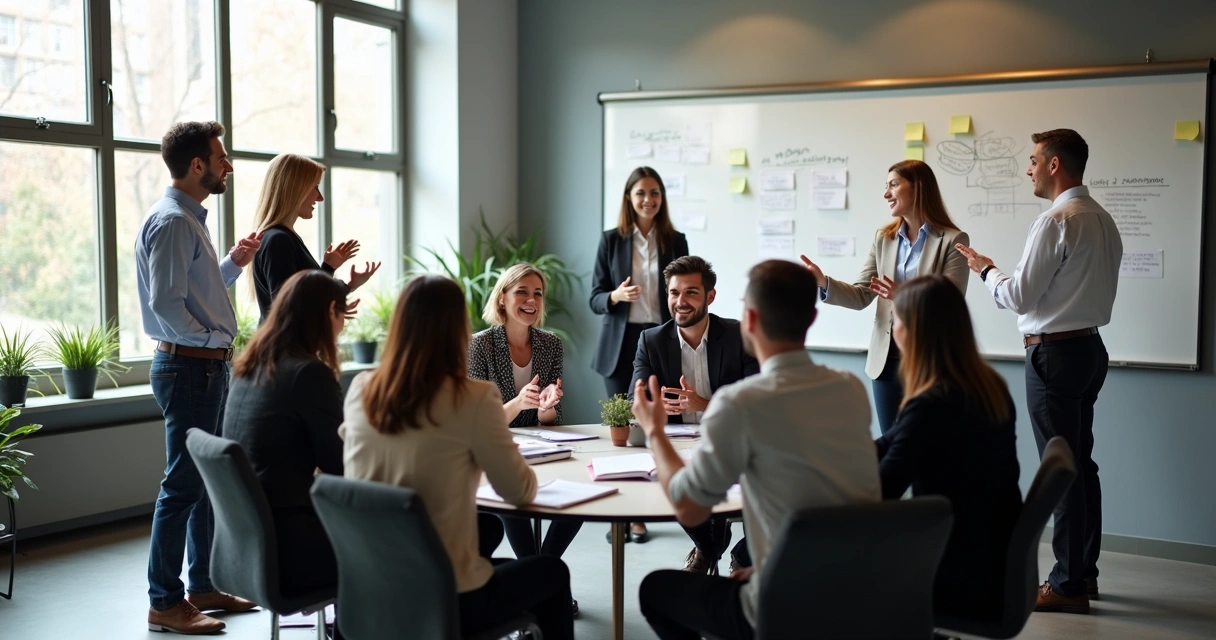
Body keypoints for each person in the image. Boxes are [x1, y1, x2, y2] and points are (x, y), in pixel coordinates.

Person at [635, 260, 881, 640]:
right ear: (812, 319)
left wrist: (654, 432)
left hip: (781, 607)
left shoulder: (740, 403)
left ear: (749, 321)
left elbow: (688, 506)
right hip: (856, 593)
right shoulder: (850, 388)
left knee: (655, 590)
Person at [341, 275, 574, 640]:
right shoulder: (474, 398)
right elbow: (519, 491)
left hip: (368, 585)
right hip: (443, 594)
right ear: (458, 331)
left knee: (488, 530)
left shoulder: (361, 388)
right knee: (551, 572)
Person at [956, 129, 1122, 614]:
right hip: (1089, 350)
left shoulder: (1055, 220)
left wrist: (986, 270)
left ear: (1054, 165)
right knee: (1082, 465)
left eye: (1033, 160)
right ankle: (1083, 572)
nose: (1027, 168)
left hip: (1054, 356)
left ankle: (1067, 585)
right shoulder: (1102, 218)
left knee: (1061, 471)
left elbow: (1019, 297)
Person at [136, 121, 260, 634]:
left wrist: (232, 263)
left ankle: (202, 587)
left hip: (201, 365)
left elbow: (196, 291)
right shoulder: (174, 222)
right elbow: (165, 304)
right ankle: (165, 602)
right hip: (190, 366)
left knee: (203, 481)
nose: (228, 165)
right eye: (221, 157)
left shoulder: (188, 219)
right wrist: (208, 342)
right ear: (197, 165)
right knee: (183, 485)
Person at [875, 275, 1022, 620]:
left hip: (956, 578)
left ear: (914, 331)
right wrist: (839, 453)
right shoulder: (988, 387)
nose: (893, 330)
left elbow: (882, 490)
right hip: (992, 564)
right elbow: (891, 441)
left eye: (896, 320)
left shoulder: (931, 404)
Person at [800, 159, 969, 434]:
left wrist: (901, 294)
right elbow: (861, 295)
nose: (886, 193)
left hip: (931, 360)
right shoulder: (884, 239)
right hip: (886, 361)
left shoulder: (953, 240)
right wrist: (823, 281)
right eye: (886, 186)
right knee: (891, 442)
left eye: (893, 185)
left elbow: (951, 303)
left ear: (918, 188)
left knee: (927, 445)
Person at [222, 271, 348, 597]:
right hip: (294, 548)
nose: (343, 326)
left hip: (247, 547)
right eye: (343, 315)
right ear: (330, 311)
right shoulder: (308, 373)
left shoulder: (250, 365)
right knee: (400, 539)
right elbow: (341, 465)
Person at [630, 256, 758, 574]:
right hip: (678, 445)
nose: (681, 301)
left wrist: (704, 404)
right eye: (674, 293)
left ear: (710, 296)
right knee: (668, 481)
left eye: (691, 292)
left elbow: (756, 404)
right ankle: (708, 546)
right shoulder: (651, 340)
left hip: (731, 442)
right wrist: (656, 405)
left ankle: (728, 553)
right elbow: (636, 396)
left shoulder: (738, 336)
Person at [590, 166, 689, 544]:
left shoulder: (675, 240)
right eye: (641, 193)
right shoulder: (611, 240)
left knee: (655, 428)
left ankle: (651, 508)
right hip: (620, 344)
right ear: (629, 199)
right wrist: (615, 296)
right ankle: (623, 516)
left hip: (659, 340)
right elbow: (595, 298)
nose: (649, 200)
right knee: (622, 432)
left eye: (655, 193)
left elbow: (686, 288)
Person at [468, 264, 582, 570]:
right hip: (495, 447)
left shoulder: (551, 344)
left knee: (583, 494)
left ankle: (539, 569)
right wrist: (519, 403)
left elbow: (550, 421)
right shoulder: (480, 344)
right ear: (502, 298)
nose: (532, 300)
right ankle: (540, 572)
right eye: (522, 292)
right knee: (511, 499)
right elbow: (478, 421)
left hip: (539, 446)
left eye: (538, 293)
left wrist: (546, 406)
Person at [250, 153, 380, 322]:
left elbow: (304, 295)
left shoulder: (282, 237)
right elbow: (288, 307)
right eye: (315, 187)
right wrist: (334, 305)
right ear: (295, 189)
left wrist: (334, 273)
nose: (320, 197)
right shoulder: (279, 240)